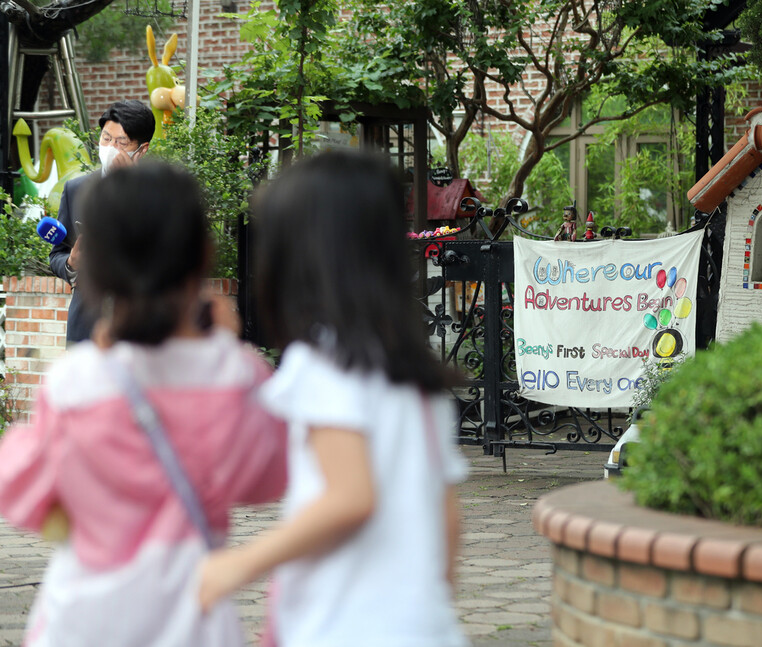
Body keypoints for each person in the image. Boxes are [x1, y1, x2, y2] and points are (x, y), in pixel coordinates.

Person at [0, 162, 288, 647]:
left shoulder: (75, 383)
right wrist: (228, 347)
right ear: (203, 256)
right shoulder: (231, 375)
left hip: (81, 625)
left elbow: (19, 492)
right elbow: (269, 478)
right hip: (193, 626)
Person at [198, 151, 469, 647]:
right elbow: (448, 519)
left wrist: (240, 563)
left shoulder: (324, 363)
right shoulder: (417, 375)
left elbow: (350, 498)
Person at [49, 99, 155, 344]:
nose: (110, 147)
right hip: (84, 328)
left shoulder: (157, 193)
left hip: (139, 330)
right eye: (106, 138)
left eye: (121, 142)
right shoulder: (76, 188)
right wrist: (71, 264)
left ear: (142, 149)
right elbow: (57, 255)